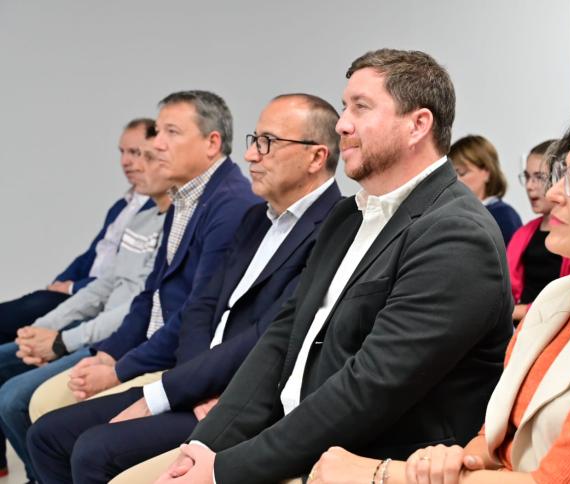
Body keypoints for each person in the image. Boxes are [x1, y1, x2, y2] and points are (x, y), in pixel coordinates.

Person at [310, 99, 570, 484]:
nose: (551, 194)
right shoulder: (560, 297)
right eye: (559, 174)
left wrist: (382, 474)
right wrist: (451, 462)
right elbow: (496, 446)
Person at [139, 48, 513, 484]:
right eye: (343, 107)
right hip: (287, 439)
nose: (341, 124)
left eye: (361, 107)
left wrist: (224, 471)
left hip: (362, 463)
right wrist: (205, 446)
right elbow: (283, 336)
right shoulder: (347, 214)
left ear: (418, 125)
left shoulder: (456, 236)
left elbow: (369, 388)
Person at [26, 93, 343, 483]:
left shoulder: (333, 228)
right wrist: (189, 384)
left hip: (241, 398)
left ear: (316, 157)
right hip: (196, 383)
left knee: (95, 450)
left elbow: (268, 336)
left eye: (268, 143)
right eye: (253, 141)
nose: (251, 156)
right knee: (48, 435)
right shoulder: (255, 219)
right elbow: (200, 306)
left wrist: (182, 390)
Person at [0, 127, 169, 482]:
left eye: (143, 155)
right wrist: (45, 328)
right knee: (14, 382)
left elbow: (140, 307)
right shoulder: (139, 215)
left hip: (121, 340)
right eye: (127, 153)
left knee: (16, 399)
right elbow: (106, 281)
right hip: (103, 332)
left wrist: (62, 340)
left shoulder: (180, 223)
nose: (132, 164)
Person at [0, 118, 155, 343]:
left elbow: (124, 275)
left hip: (99, 302)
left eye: (134, 152)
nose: (125, 161)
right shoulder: (122, 205)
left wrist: (72, 287)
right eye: (122, 152)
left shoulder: (157, 211)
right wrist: (60, 283)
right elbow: (92, 255)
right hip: (80, 294)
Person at [508, 140, 570, 323]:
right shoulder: (523, 234)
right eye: (527, 177)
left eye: (539, 177)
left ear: (561, 179)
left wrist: (517, 312)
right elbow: (506, 287)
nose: (529, 186)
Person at [449, 135, 521, 244]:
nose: (456, 180)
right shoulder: (452, 213)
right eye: (452, 174)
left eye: (462, 172)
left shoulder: (504, 217)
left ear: (487, 172)